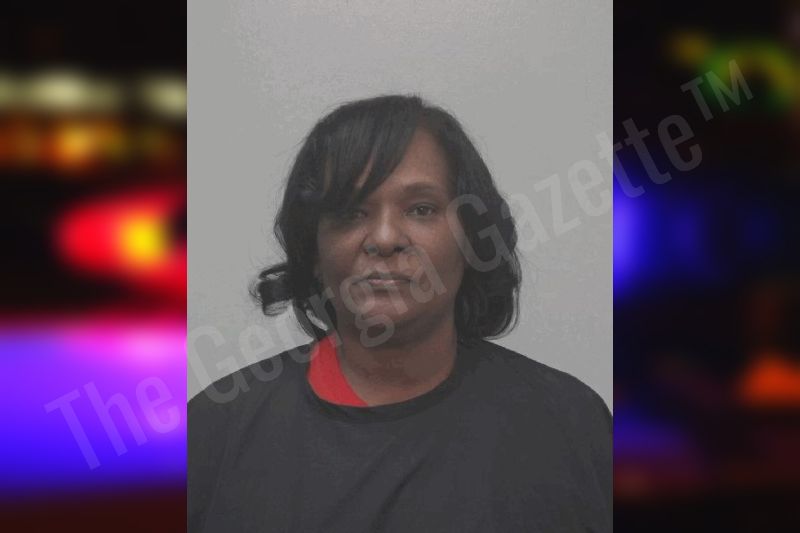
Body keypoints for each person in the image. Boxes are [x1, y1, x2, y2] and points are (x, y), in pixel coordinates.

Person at [188, 95, 612, 532]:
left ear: (471, 239)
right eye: (351, 211)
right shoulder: (213, 434)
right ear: (313, 251)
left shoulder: (572, 424)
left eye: (421, 209)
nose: (386, 238)